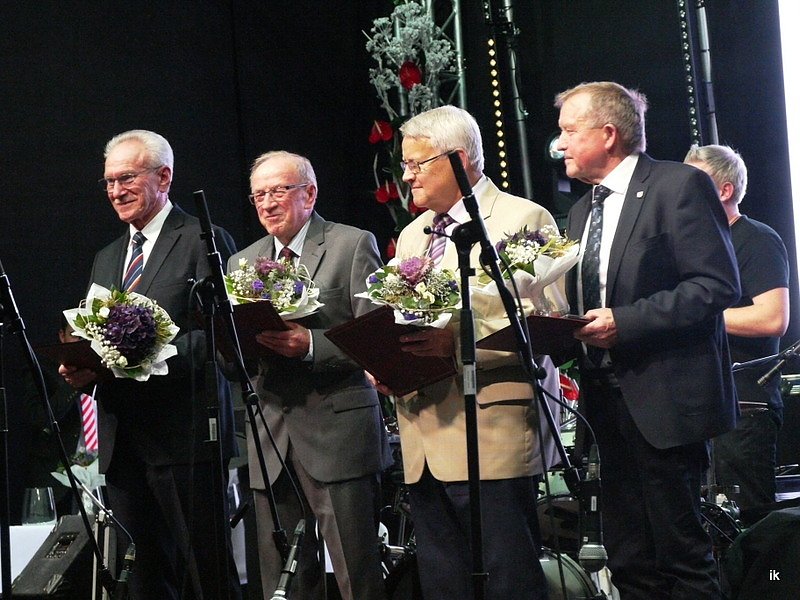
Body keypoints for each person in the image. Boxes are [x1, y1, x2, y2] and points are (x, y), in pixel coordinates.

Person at [556, 81, 741, 599]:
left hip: (666, 404)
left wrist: (626, 321)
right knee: (628, 557)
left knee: (681, 555)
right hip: (604, 405)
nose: (561, 143)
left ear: (609, 133)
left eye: (570, 130)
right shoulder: (580, 211)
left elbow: (716, 285)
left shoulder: (677, 185)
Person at [372, 105, 563, 600]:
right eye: (405, 165)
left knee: (507, 579)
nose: (406, 176)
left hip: (492, 432)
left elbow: (548, 323)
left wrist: (455, 342)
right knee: (444, 583)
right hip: (422, 432)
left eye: (417, 164)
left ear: (458, 160)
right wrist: (388, 359)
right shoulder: (414, 234)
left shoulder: (523, 218)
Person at [59, 130, 241, 600]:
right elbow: (97, 336)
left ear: (164, 176)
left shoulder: (204, 239)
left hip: (186, 439)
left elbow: (221, 336)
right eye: (108, 182)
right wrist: (85, 367)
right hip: (125, 444)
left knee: (206, 574)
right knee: (143, 579)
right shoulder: (106, 258)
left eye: (126, 178)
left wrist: (149, 357)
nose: (115, 191)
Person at [227, 150, 392, 600]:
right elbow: (234, 356)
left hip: (338, 431)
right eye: (258, 194)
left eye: (278, 190)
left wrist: (313, 345)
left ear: (309, 193)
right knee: (282, 579)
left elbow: (378, 337)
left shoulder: (351, 244)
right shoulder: (241, 263)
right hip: (269, 437)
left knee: (355, 573)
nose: (267, 203)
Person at [684, 144, 790, 513]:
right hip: (699, 406)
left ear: (725, 191)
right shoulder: (690, 246)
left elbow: (773, 318)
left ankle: (773, 577)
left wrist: (691, 315)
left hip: (746, 407)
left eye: (695, 183)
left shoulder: (756, 239)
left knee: (750, 530)